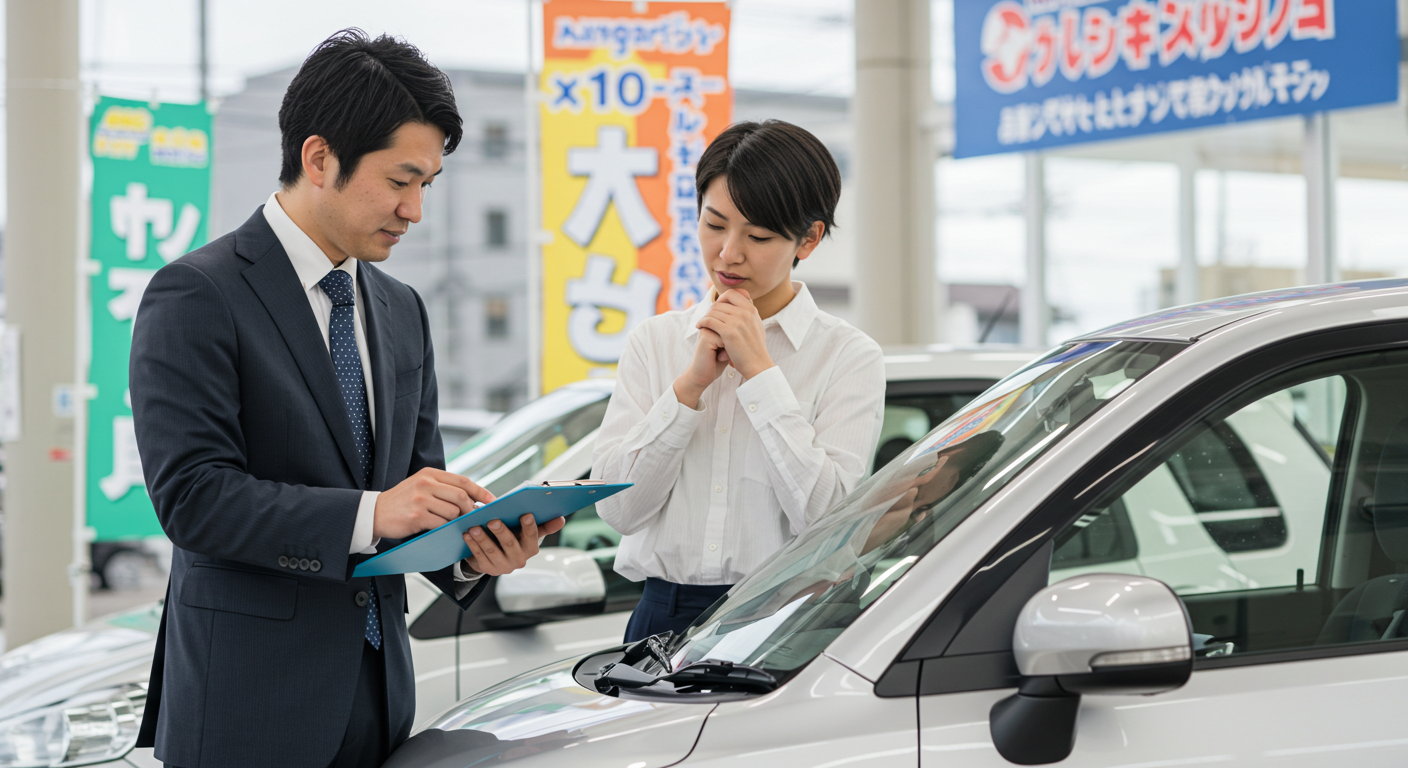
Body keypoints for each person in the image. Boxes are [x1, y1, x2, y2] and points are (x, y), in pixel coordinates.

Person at [129, 30, 563, 768]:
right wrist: (373, 513)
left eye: (428, 185)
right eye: (400, 180)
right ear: (320, 158)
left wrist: (474, 552)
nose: (414, 210)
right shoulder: (198, 293)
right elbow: (194, 499)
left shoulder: (402, 309)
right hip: (249, 706)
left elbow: (415, 491)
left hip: (379, 702)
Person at [592, 119, 886, 643]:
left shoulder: (848, 356)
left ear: (809, 239)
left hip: (788, 618)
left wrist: (760, 374)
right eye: (714, 224)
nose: (728, 253)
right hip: (662, 618)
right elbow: (618, 511)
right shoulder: (655, 342)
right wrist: (689, 389)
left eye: (758, 236)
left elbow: (828, 522)